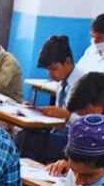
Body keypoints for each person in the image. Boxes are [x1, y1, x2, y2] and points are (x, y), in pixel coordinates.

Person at [17, 35, 81, 163]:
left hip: (75, 138)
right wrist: (37, 110)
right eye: (48, 70)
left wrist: (68, 116)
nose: (50, 75)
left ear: (68, 62)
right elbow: (58, 114)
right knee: (24, 134)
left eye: (53, 69)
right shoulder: (63, 82)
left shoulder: (83, 84)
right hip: (58, 131)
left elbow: (89, 123)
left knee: (30, 141)